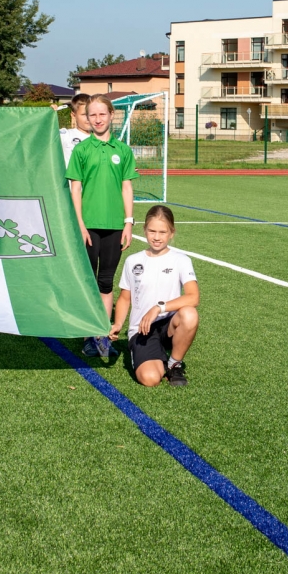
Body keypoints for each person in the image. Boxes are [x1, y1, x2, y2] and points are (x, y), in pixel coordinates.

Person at [67, 94, 138, 358]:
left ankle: (101, 335)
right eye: (91, 115)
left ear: (111, 115)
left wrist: (128, 223)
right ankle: (88, 335)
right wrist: (80, 224)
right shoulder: (82, 150)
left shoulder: (123, 150)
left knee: (105, 282)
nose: (96, 119)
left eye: (101, 114)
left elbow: (126, 187)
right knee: (88, 282)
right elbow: (76, 188)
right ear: (86, 118)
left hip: (115, 226)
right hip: (88, 227)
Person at [110, 205, 200, 386]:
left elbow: (193, 297)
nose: (156, 237)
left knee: (189, 314)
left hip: (168, 325)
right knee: (150, 379)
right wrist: (118, 324)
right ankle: (152, 355)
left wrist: (159, 308)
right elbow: (125, 298)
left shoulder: (181, 260)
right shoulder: (133, 261)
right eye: (152, 231)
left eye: (162, 232)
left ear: (171, 233)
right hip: (142, 328)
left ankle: (174, 364)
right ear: (144, 230)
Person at [60, 93, 92, 167]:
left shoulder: (100, 139)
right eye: (84, 114)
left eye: (91, 114)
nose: (88, 118)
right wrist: (49, 113)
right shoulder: (65, 135)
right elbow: (44, 134)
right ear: (73, 115)